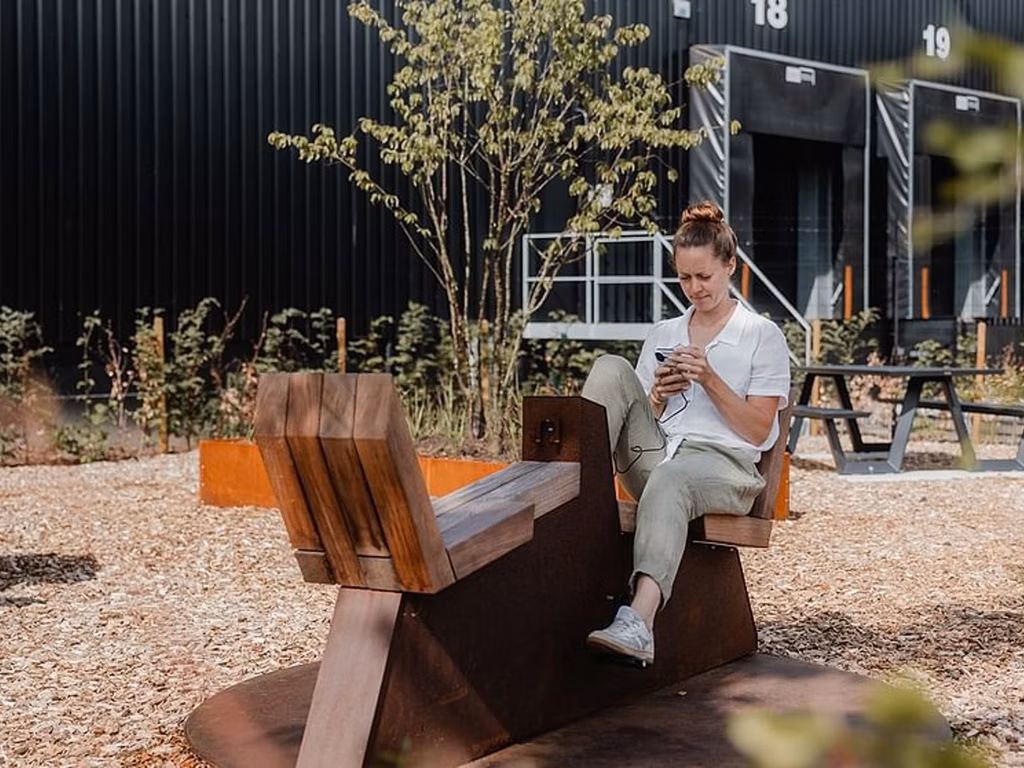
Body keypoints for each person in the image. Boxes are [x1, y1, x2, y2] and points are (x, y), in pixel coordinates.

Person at [582, 200, 791, 666]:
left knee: (670, 478)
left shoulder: (761, 335)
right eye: (684, 278)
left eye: (704, 277)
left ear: (730, 265)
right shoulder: (665, 333)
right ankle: (572, 493)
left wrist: (710, 379)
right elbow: (638, 413)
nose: (695, 288)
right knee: (610, 367)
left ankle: (639, 622)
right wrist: (657, 395)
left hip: (725, 468)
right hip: (662, 454)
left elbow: (760, 430)